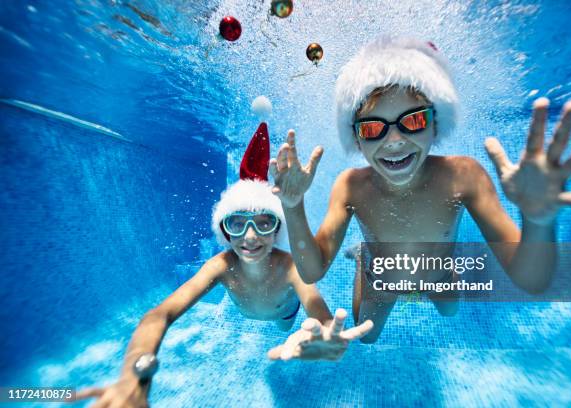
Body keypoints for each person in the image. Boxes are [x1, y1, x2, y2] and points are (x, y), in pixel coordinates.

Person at [269, 36, 571, 346]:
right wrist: (293, 205)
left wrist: (537, 221)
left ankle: (373, 259)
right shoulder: (351, 186)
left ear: (435, 124)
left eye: (413, 121)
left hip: (439, 275)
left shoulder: (463, 176)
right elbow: (313, 271)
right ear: (357, 138)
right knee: (368, 338)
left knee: (450, 311)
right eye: (374, 128)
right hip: (382, 281)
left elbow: (532, 279)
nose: (395, 141)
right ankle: (364, 259)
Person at [74, 122, 373, 407]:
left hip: (285, 313)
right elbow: (160, 315)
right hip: (254, 310)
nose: (251, 237)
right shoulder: (220, 266)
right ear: (225, 229)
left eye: (264, 223)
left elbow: (317, 311)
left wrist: (322, 331)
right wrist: (132, 377)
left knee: (285, 331)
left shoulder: (290, 267)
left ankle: (359, 255)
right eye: (238, 224)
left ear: (277, 229)